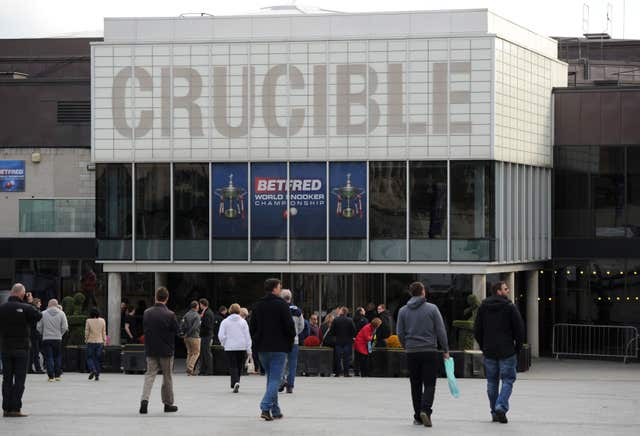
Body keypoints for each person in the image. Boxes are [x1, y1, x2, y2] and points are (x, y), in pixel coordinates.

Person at [397, 281, 450, 428]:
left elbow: (400, 333)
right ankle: (425, 410)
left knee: (415, 384)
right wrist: (445, 349)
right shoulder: (432, 309)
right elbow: (441, 331)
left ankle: (417, 416)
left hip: (412, 352)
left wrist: (406, 345)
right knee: (430, 383)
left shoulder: (402, 311)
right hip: (429, 351)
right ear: (423, 292)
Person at [474, 281, 525, 424]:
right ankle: (500, 406)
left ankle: (494, 412)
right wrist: (517, 348)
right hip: (507, 351)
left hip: (489, 350)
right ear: (498, 291)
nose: (508, 291)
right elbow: (519, 330)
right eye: (506, 289)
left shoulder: (483, 307)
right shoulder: (510, 307)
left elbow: (477, 329)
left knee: (491, 382)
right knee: (508, 380)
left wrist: (484, 346)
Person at [249, 278, 296, 421]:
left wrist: (257, 340)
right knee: (276, 379)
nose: (280, 290)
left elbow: (253, 327)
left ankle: (275, 411)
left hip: (263, 348)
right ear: (275, 288)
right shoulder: (282, 305)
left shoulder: (257, 305)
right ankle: (265, 407)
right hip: (279, 348)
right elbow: (290, 327)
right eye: (279, 287)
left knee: (271, 379)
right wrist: (289, 342)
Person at [0, 283, 42, 417]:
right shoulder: (26, 307)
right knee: (19, 380)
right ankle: (16, 408)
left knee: (6, 379)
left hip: (5, 348)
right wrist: (31, 303)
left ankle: (6, 408)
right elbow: (38, 316)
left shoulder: (2, 308)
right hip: (22, 349)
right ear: (22, 294)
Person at [139, 287, 179, 415]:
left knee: (149, 375)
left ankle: (144, 402)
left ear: (156, 297)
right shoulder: (170, 314)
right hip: (166, 351)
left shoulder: (147, 313)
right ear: (167, 298)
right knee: (167, 377)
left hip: (151, 349)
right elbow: (177, 331)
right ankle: (167, 404)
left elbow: (145, 329)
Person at [218, 303, 252, 393]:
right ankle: (237, 381)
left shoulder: (225, 322)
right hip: (241, 346)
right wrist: (249, 349)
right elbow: (247, 336)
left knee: (232, 366)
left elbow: (221, 335)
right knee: (239, 366)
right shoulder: (243, 322)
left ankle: (235, 382)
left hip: (230, 347)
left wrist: (224, 343)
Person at [278, 289, 305, 394]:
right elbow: (302, 325)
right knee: (292, 364)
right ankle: (290, 385)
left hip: (281, 340)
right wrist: (296, 333)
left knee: (280, 362)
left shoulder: (279, 309)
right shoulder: (297, 310)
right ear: (290, 298)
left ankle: (281, 381)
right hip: (294, 340)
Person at [37, 299, 69, 382]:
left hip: (46, 338)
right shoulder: (62, 313)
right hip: (58, 338)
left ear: (49, 304)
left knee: (49, 357)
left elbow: (39, 327)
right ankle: (58, 375)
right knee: (57, 356)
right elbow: (65, 327)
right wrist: (60, 334)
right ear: (57, 304)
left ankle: (51, 376)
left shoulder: (43, 313)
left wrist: (43, 333)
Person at [330, 307, 356, 377]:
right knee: (346, 358)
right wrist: (351, 337)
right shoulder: (350, 320)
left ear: (342, 312)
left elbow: (332, 331)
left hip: (338, 341)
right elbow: (354, 330)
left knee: (337, 358)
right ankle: (346, 373)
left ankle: (337, 373)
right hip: (347, 341)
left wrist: (335, 336)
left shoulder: (336, 320)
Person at [85, 308, 106, 381]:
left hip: (91, 341)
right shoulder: (102, 320)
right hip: (100, 341)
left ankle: (93, 369)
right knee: (97, 359)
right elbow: (104, 332)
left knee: (89, 357)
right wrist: (104, 340)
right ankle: (97, 374)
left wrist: (86, 339)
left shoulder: (88, 321)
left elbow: (87, 331)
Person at [180, 301, 201, 376]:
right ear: (196, 307)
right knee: (196, 353)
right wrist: (189, 333)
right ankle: (190, 367)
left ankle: (189, 370)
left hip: (186, 337)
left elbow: (182, 324)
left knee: (189, 353)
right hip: (194, 336)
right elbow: (195, 327)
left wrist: (184, 333)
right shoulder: (197, 315)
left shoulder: (186, 314)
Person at [198, 298, 214, 376]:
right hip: (206, 335)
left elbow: (207, 325)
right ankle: (203, 370)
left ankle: (208, 370)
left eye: (200, 304)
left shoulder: (207, 313)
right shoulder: (207, 312)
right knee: (204, 353)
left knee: (206, 353)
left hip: (206, 335)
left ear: (202, 304)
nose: (199, 306)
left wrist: (200, 327)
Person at [28, 298, 43, 374]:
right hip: (35, 334)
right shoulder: (36, 312)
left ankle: (29, 368)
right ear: (36, 303)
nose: (41, 304)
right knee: (35, 352)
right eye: (39, 303)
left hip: (31, 333)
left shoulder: (31, 311)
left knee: (32, 352)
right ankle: (38, 368)